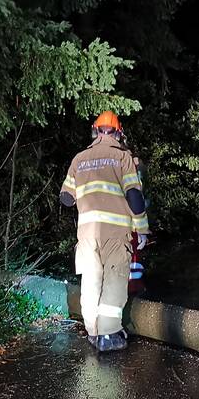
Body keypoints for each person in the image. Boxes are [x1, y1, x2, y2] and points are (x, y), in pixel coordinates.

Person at [60, 111, 149, 352]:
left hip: (87, 233)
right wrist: (141, 229)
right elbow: (134, 197)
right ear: (119, 132)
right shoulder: (123, 158)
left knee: (91, 281)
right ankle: (109, 335)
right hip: (116, 232)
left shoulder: (79, 159)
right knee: (114, 281)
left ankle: (93, 331)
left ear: (95, 131)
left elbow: (66, 198)